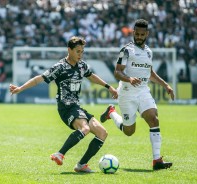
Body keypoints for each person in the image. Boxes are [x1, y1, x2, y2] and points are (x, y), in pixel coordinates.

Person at [9, 36, 118, 173]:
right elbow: (39, 79)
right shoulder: (60, 67)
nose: (80, 54)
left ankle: (81, 165)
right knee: (85, 128)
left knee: (102, 132)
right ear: (69, 50)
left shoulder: (82, 66)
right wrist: (20, 88)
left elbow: (91, 76)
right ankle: (59, 154)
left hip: (76, 107)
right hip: (65, 107)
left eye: (82, 51)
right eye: (78, 51)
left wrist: (109, 87)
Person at [100, 19, 175, 170]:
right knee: (129, 132)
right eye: (137, 34)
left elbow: (151, 73)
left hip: (142, 91)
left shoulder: (148, 51)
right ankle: (112, 112)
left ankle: (157, 161)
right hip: (127, 93)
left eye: (142, 34)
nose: (139, 36)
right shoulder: (126, 50)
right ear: (133, 33)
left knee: (153, 119)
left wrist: (165, 85)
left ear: (147, 34)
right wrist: (129, 78)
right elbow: (117, 71)